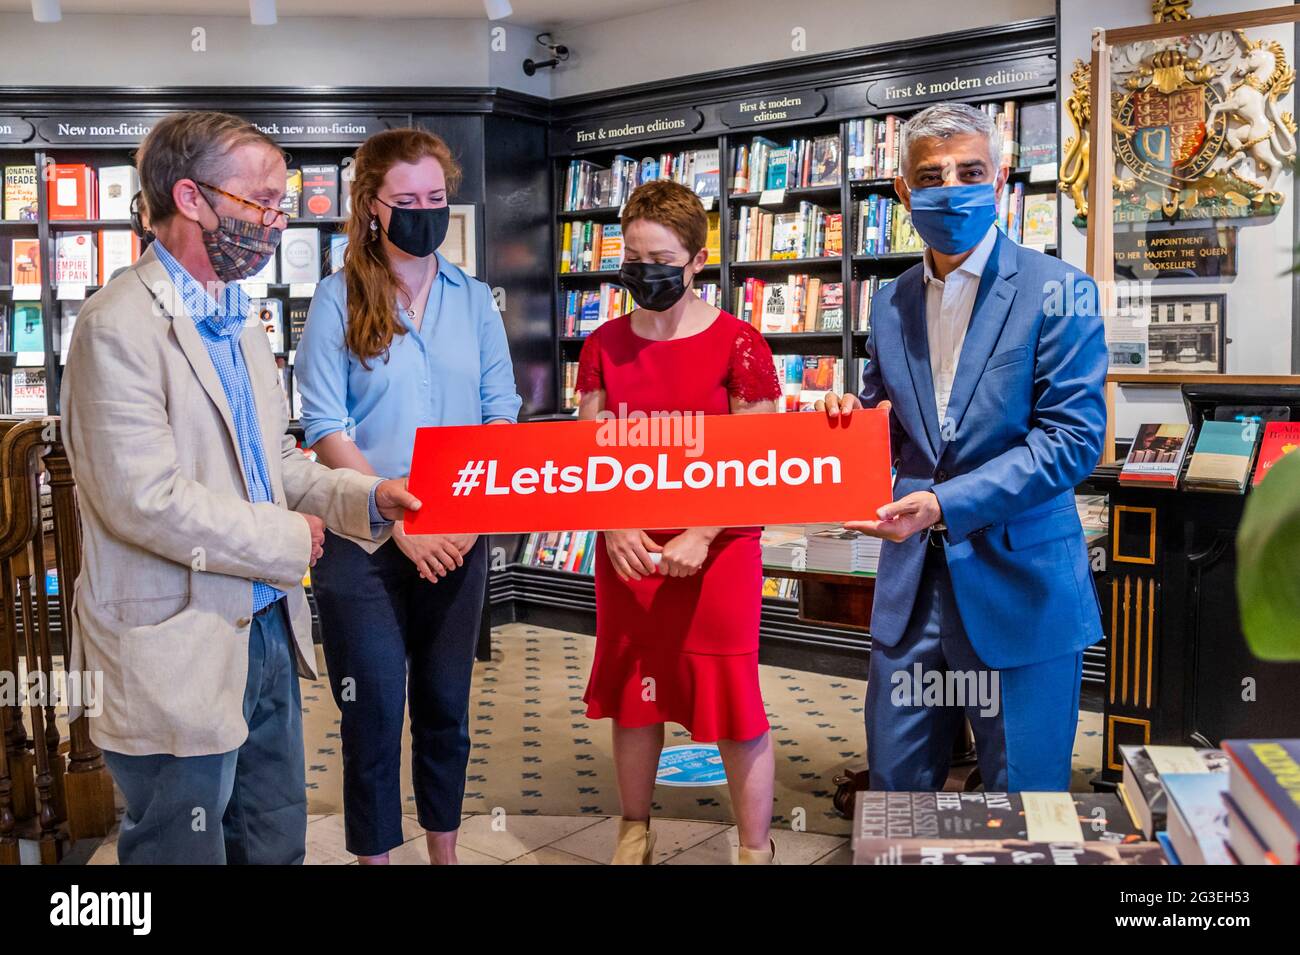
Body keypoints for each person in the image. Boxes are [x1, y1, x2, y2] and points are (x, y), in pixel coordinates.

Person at [60, 110, 420, 865]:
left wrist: (363, 496)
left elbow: (270, 464)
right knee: (178, 850)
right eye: (261, 202)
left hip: (264, 629)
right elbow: (142, 499)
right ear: (191, 198)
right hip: (176, 640)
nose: (275, 220)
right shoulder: (115, 327)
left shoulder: (239, 321)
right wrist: (291, 540)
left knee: (271, 839)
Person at [819, 102, 1107, 792]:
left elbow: (1073, 442)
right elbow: (890, 422)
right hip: (911, 592)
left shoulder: (1060, 291)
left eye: (970, 170)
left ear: (1001, 177)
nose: (951, 187)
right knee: (896, 792)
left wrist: (942, 504)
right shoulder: (889, 303)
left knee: (1023, 797)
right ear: (903, 192)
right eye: (932, 175)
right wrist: (844, 420)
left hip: (1021, 592)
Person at [295, 127, 520, 865]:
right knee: (373, 710)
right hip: (363, 544)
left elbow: (499, 413)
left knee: (447, 706)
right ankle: (375, 857)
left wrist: (454, 518)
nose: (424, 211)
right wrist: (398, 521)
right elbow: (327, 423)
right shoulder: (337, 299)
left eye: (436, 198)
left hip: (459, 535)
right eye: (407, 200)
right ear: (371, 207)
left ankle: (445, 852)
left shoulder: (474, 299)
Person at [575, 180, 783, 864]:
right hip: (629, 548)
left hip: (720, 550)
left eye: (659, 257)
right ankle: (633, 832)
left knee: (731, 696)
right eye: (631, 257)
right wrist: (611, 525)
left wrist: (702, 531)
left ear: (697, 259)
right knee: (636, 693)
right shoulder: (602, 345)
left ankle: (755, 846)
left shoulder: (740, 343)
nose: (643, 271)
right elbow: (589, 453)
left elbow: (759, 463)